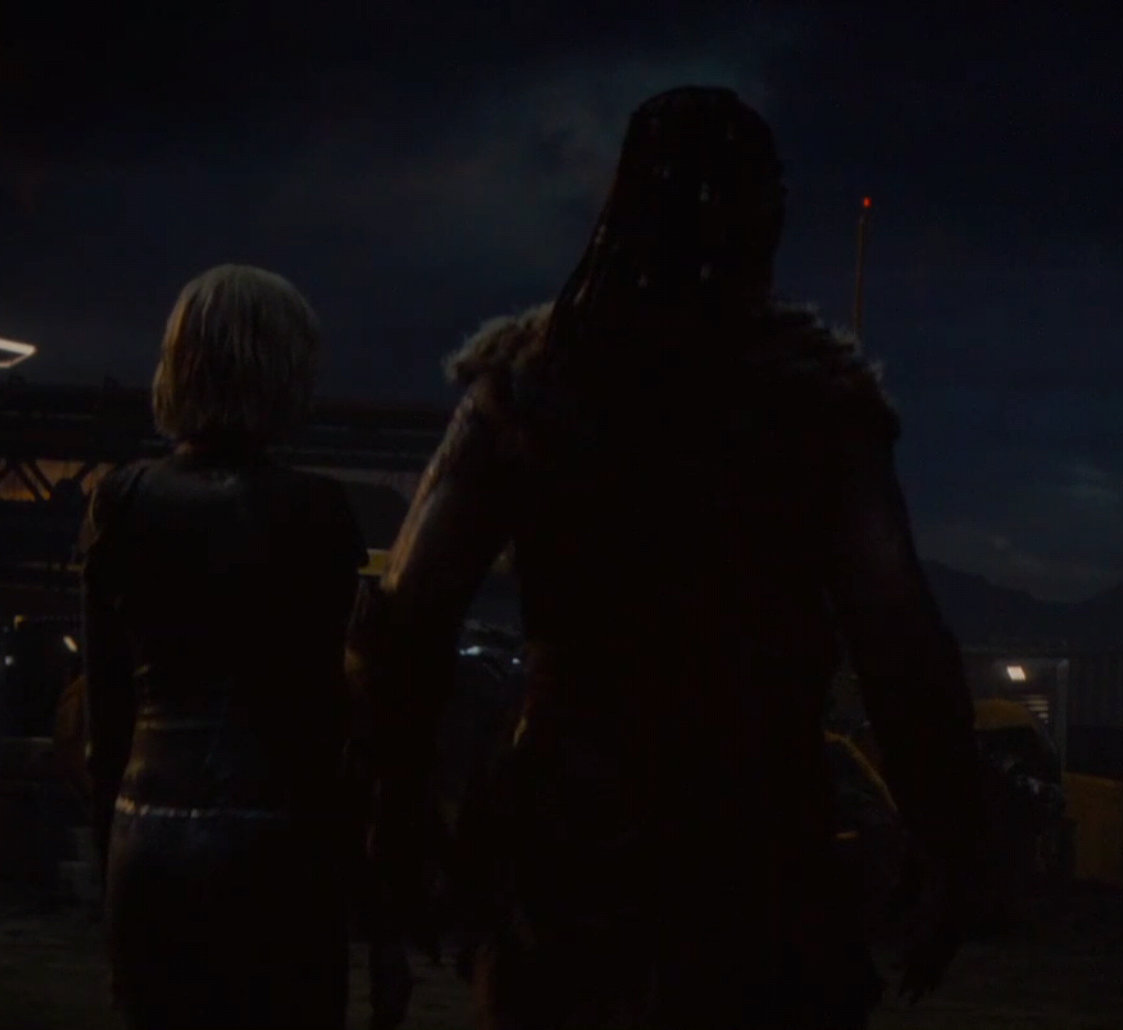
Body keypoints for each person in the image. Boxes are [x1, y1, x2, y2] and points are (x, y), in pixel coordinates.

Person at [345, 86, 989, 1030]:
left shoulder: (526, 389)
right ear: (764, 216)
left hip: (570, 855)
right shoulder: (817, 406)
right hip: (758, 850)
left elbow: (406, 617)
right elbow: (899, 641)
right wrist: (948, 840)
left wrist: (397, 814)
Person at [79, 264, 369, 1029]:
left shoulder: (121, 500)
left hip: (147, 843)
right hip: (279, 852)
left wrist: (111, 864)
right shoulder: (317, 509)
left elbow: (106, 719)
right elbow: (332, 721)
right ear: (283, 371)